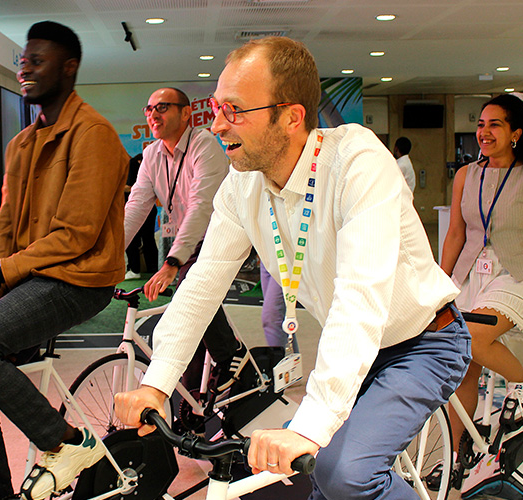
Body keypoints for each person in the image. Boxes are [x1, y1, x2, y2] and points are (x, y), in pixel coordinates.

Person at [114, 37, 470, 499]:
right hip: (357, 353)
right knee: (315, 478)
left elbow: (360, 296)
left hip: (423, 343)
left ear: (291, 116)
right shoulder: (242, 185)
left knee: (343, 475)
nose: (217, 125)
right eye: (217, 108)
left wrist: (311, 424)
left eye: (234, 110)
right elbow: (202, 283)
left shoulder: (356, 161)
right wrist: (157, 383)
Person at [0, 21, 129, 500]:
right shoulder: (22, 143)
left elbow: (77, 234)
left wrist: (5, 271)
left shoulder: (93, 134)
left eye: (37, 60)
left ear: (69, 68)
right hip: (34, 277)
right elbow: (6, 221)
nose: (24, 69)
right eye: (23, 61)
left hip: (80, 279)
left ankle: (66, 441)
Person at [440, 93, 523, 462]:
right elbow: (456, 234)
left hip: (517, 275)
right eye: (481, 124)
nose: (484, 132)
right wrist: (438, 284)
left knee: (473, 336)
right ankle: (456, 456)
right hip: (470, 274)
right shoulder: (466, 175)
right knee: (462, 365)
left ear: (515, 133)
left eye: (494, 125)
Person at [124, 87, 244, 392]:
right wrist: (111, 254)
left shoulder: (204, 145)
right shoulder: (151, 155)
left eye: (162, 107)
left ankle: (228, 354)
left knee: (189, 297)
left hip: (222, 235)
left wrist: (172, 262)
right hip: (190, 240)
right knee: (191, 314)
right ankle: (194, 396)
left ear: (186, 113)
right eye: (149, 109)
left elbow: (200, 207)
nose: (153, 114)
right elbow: (136, 206)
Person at [124, 154, 159, 279]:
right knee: (147, 239)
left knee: (136, 238)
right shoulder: (139, 164)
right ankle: (152, 268)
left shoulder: (133, 163)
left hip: (140, 207)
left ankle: (135, 269)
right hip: (145, 207)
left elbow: (131, 187)